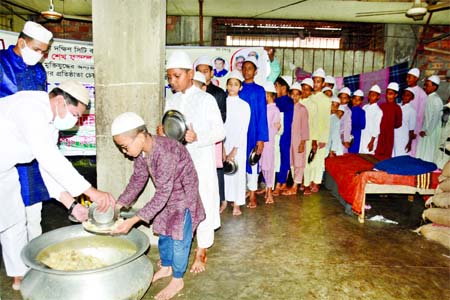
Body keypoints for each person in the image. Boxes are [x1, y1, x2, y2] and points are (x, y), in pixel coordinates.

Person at [0, 81, 115, 290]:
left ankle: (18, 275)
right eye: (76, 114)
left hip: (4, 170)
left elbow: (48, 171)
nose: (76, 121)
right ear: (60, 101)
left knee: (14, 220)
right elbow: (50, 159)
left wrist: (73, 205)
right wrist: (91, 192)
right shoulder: (31, 108)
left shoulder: (51, 125)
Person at [111, 112, 205, 300]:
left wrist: (134, 220)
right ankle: (167, 267)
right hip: (167, 196)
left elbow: (163, 193)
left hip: (183, 199)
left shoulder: (166, 151)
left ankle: (178, 279)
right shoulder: (142, 151)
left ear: (140, 136)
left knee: (179, 240)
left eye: (124, 146)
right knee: (164, 235)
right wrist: (118, 204)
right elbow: (138, 179)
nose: (124, 151)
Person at [159, 50, 225, 273]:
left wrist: (198, 138)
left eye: (177, 76)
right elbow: (170, 129)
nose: (172, 81)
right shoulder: (172, 100)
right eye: (169, 77)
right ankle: (176, 250)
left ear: (190, 74)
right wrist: (162, 132)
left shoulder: (206, 100)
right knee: (177, 204)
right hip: (176, 163)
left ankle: (202, 250)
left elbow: (220, 132)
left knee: (202, 201)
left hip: (200, 161)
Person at [0, 21, 55, 245]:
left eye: (44, 51)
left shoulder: (38, 70)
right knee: (9, 210)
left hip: (31, 149)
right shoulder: (2, 64)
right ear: (21, 42)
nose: (41, 56)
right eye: (37, 50)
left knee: (33, 209)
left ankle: (35, 255)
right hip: (7, 148)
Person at [195, 56, 227, 210]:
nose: (203, 74)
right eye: (199, 71)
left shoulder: (219, 93)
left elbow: (222, 117)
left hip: (213, 137)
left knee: (216, 167)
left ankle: (219, 200)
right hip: (195, 138)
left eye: (206, 71)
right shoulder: (192, 93)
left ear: (212, 73)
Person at [238, 56, 269, 209]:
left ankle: (252, 195)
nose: (246, 71)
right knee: (238, 161)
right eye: (244, 68)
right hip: (238, 132)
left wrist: (261, 139)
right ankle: (239, 193)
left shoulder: (259, 90)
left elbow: (262, 114)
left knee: (252, 163)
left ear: (255, 71)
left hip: (253, 132)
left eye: (249, 68)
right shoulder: (237, 88)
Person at [221, 71, 250, 216]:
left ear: (240, 87)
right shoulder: (222, 103)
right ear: (226, 86)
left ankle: (237, 204)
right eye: (230, 84)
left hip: (239, 145)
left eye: (235, 85)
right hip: (224, 144)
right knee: (224, 174)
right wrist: (222, 148)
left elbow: (243, 128)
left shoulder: (244, 106)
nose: (232, 87)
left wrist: (234, 149)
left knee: (237, 173)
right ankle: (224, 201)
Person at [303, 68, 330, 194]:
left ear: (323, 84)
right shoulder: (309, 98)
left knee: (318, 160)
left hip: (320, 135)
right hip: (310, 133)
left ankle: (316, 181)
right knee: (309, 158)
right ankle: (307, 181)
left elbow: (326, 121)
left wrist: (323, 138)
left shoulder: (326, 99)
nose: (315, 84)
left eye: (318, 82)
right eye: (314, 81)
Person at [283, 82, 309, 196]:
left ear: (300, 95)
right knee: (290, 161)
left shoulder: (302, 109)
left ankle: (295, 186)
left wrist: (303, 142)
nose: (294, 97)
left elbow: (305, 127)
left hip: (298, 139)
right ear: (289, 94)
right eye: (292, 94)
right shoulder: (287, 107)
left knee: (299, 162)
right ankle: (289, 183)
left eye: (297, 94)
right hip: (288, 138)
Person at [259, 81, 281, 203]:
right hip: (262, 141)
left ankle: (269, 192)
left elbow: (275, 128)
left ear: (268, 95)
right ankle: (267, 189)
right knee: (263, 166)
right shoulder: (265, 108)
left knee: (269, 166)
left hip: (269, 142)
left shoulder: (275, 110)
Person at [273, 75, 294, 196]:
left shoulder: (287, 101)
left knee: (283, 157)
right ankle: (276, 182)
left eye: (276, 86)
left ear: (283, 87)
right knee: (276, 157)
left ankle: (282, 182)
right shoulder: (276, 100)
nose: (275, 88)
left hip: (284, 134)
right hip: (276, 134)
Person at [416, 75, 443, 163]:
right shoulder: (428, 98)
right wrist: (423, 129)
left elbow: (435, 118)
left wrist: (427, 131)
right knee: (422, 154)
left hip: (432, 131)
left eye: (427, 85)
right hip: (425, 130)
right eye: (425, 85)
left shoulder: (436, 100)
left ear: (434, 87)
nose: (425, 87)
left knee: (429, 154)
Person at [298, 78, 317, 195]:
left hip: (308, 136)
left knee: (306, 162)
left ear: (311, 91)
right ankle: (299, 182)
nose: (304, 92)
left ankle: (306, 185)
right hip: (296, 135)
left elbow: (314, 124)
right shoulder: (296, 101)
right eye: (303, 89)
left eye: (307, 90)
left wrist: (314, 140)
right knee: (297, 161)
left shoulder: (313, 105)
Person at [375, 82, 402, 160]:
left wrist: (390, 125)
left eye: (391, 94)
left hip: (389, 134)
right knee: (378, 151)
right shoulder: (381, 106)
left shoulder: (397, 108)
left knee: (387, 152)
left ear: (396, 95)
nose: (388, 96)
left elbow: (398, 123)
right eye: (387, 93)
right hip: (380, 133)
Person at [406, 68, 427, 156]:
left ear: (416, 78)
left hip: (414, 128)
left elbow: (420, 115)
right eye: (407, 77)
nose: (407, 79)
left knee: (411, 151)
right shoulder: (406, 91)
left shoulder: (421, 94)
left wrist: (414, 131)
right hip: (403, 126)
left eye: (410, 77)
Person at [359, 85, 383, 154]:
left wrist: (372, 142)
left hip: (370, 138)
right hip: (362, 136)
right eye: (370, 94)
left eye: (374, 94)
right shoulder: (365, 107)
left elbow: (376, 128)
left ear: (378, 97)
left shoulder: (378, 111)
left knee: (368, 157)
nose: (372, 96)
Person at [393, 88, 417, 157]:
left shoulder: (412, 111)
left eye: (408, 95)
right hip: (393, 135)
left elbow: (411, 130)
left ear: (412, 98)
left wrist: (409, 143)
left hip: (403, 138)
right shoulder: (397, 106)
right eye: (404, 94)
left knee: (400, 157)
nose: (405, 96)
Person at [349, 89, 366, 153]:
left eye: (358, 100)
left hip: (356, 134)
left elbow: (363, 125)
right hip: (346, 132)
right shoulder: (348, 110)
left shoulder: (362, 112)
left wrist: (353, 125)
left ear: (361, 101)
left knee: (353, 151)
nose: (356, 101)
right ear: (351, 99)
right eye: (355, 99)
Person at [338, 87, 353, 153]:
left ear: (348, 99)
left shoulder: (347, 111)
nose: (342, 100)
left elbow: (347, 126)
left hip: (342, 136)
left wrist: (346, 139)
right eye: (340, 97)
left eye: (344, 98)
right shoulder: (335, 107)